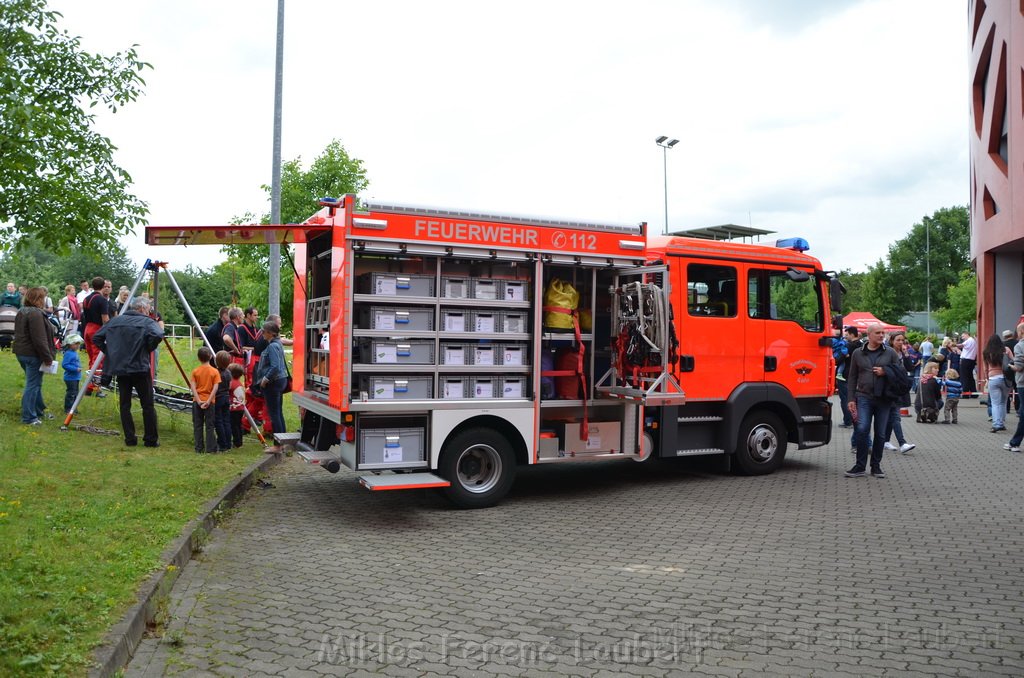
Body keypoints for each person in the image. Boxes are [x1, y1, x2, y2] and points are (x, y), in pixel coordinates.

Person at [93, 297, 164, 447]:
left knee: (125, 405)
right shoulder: (147, 322)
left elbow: (97, 337)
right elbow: (159, 334)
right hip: (139, 368)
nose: (149, 311)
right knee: (147, 405)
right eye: (148, 309)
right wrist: (148, 348)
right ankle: (150, 439)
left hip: (121, 369)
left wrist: (111, 352)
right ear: (142, 309)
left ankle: (130, 438)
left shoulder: (116, 320)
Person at [845, 324, 900, 479]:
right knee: (862, 429)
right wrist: (850, 399)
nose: (881, 335)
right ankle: (860, 466)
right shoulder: (858, 353)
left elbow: (900, 373)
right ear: (868, 335)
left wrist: (885, 371)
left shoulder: (890, 353)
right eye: (878, 333)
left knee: (881, 434)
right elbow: (852, 377)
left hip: (884, 399)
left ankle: (875, 466)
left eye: (883, 333)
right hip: (863, 396)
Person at [13, 287, 56, 425]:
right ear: (37, 299)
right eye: (42, 298)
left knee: (35, 383)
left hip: (21, 352)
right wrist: (47, 357)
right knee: (33, 385)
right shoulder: (36, 314)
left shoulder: (21, 311)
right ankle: (29, 417)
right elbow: (39, 339)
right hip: (32, 354)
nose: (44, 301)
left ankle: (39, 411)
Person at [881, 331, 916, 454]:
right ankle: (902, 443)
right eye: (898, 340)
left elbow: (910, 368)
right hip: (890, 388)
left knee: (892, 417)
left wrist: (906, 354)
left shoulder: (902, 353)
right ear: (892, 341)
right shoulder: (887, 352)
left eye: (903, 340)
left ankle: (885, 441)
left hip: (899, 387)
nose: (901, 342)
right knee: (895, 416)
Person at [255, 321, 288, 445]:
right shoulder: (277, 344)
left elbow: (275, 366)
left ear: (271, 333)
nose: (262, 333)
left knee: (274, 414)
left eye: (263, 331)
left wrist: (265, 379)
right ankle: (283, 440)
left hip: (273, 383)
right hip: (280, 381)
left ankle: (278, 444)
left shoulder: (272, 346)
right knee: (278, 412)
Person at [81, 276, 110, 397]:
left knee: (91, 357)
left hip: (87, 328)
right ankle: (93, 387)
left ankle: (89, 385)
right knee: (98, 359)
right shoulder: (102, 300)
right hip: (97, 329)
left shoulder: (86, 298)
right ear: (103, 286)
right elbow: (105, 319)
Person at [189, 346, 220, 453]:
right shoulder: (215, 371)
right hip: (210, 402)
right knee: (210, 426)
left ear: (198, 358)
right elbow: (215, 387)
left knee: (197, 425)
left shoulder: (195, 371)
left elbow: (193, 387)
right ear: (211, 357)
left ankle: (199, 448)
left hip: (197, 402)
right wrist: (208, 401)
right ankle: (211, 449)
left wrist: (198, 400)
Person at [982, 333, 1010, 433]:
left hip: (993, 378)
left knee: (995, 403)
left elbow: (985, 368)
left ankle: (996, 424)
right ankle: (1001, 423)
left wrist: (987, 379)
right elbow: (1013, 361)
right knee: (1003, 402)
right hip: (1006, 379)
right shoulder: (1005, 350)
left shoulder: (986, 352)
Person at [214, 350, 233, 453]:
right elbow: (230, 386)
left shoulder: (216, 372)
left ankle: (222, 444)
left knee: (219, 421)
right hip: (226, 397)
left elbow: (215, 387)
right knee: (226, 421)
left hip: (218, 398)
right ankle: (228, 443)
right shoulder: (229, 372)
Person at [61, 333, 83, 414]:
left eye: (78, 344)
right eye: (75, 344)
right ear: (69, 344)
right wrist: (75, 369)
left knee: (75, 393)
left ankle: (73, 408)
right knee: (71, 393)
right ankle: (68, 408)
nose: (77, 346)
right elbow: (65, 365)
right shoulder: (69, 353)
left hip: (76, 377)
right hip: (70, 378)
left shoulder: (74, 352)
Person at [228, 362, 246, 448]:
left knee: (233, 426)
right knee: (239, 424)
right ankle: (240, 441)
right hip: (241, 408)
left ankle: (236, 442)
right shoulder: (239, 383)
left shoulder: (231, 383)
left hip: (234, 408)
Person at [959, 331, 979, 396]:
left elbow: (962, 345)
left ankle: (965, 393)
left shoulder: (969, 340)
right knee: (970, 377)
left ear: (967, 334)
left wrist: (952, 344)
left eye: (963, 336)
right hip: (971, 360)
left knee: (964, 377)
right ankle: (974, 393)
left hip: (966, 360)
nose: (962, 338)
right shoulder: (973, 341)